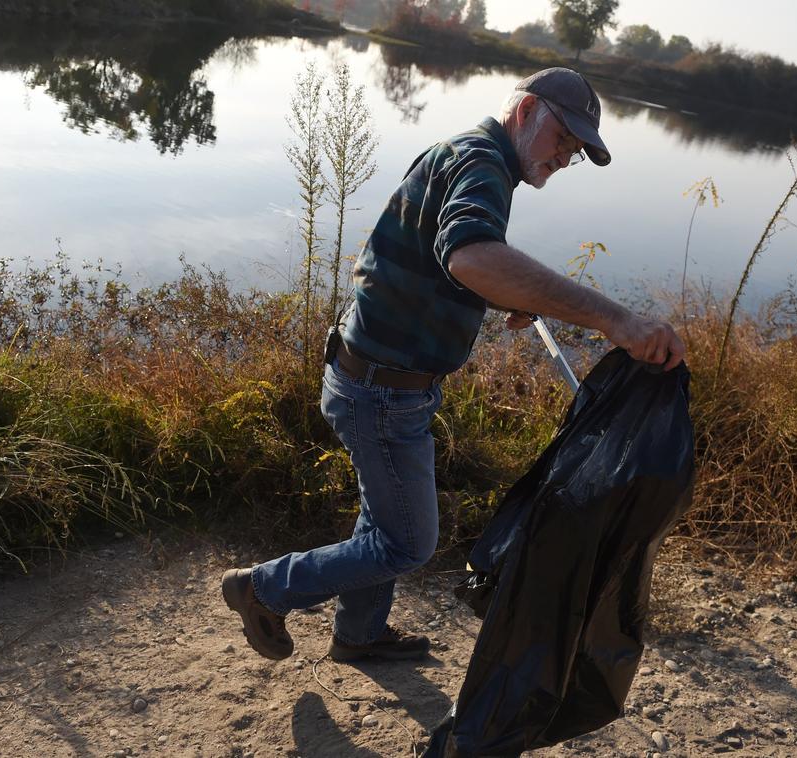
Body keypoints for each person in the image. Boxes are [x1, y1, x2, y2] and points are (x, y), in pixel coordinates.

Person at [222, 67, 685, 663]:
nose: (565, 159)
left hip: (376, 378)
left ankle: (358, 634)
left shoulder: (470, 155)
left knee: (382, 520)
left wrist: (507, 294)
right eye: (563, 141)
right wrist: (614, 319)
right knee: (409, 542)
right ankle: (261, 588)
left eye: (575, 151)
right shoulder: (484, 163)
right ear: (525, 113)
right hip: (381, 392)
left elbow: (444, 256)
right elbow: (470, 255)